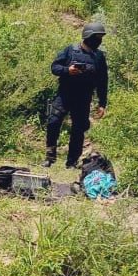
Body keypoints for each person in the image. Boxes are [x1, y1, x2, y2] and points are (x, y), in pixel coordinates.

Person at [43, 22, 108, 169]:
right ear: (88, 36)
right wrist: (68, 70)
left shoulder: (99, 57)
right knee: (53, 122)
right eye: (96, 37)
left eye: (100, 37)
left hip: (84, 98)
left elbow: (103, 81)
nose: (99, 40)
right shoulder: (70, 50)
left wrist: (102, 103)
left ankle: (72, 162)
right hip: (64, 95)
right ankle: (50, 156)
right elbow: (54, 67)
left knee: (78, 130)